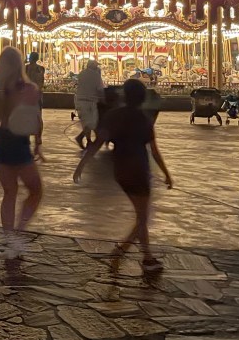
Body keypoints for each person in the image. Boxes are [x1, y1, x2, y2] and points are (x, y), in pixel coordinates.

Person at [74, 78, 172, 274]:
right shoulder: (144, 119)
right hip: (138, 169)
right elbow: (154, 151)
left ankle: (147, 257)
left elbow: (98, 143)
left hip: (120, 170)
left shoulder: (114, 116)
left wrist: (81, 165)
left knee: (141, 216)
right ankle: (122, 251)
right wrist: (166, 174)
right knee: (142, 218)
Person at [0, 47, 43, 256]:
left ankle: (9, 238)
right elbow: (36, 119)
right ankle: (19, 231)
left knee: (9, 192)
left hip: (2, 142)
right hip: (20, 143)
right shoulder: (29, 88)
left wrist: (3, 136)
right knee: (36, 190)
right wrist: (37, 142)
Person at [74, 59, 104, 149]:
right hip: (90, 101)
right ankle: (83, 138)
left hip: (80, 100)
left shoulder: (81, 73)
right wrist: (103, 99)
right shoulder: (96, 75)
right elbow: (100, 89)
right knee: (92, 122)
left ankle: (88, 140)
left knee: (87, 122)